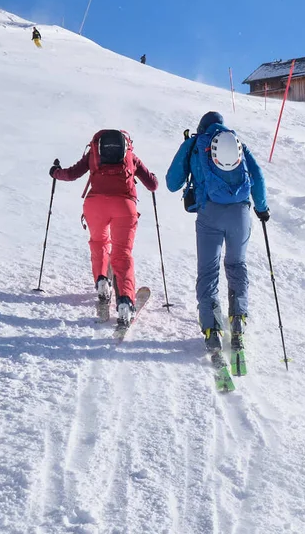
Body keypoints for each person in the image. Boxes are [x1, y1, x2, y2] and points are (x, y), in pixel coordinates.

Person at [166, 110, 269, 357]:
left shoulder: (194, 144)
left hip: (209, 214)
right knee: (237, 264)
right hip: (241, 214)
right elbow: (258, 177)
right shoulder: (238, 143)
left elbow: (172, 183)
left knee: (209, 271)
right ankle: (238, 321)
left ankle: (212, 330)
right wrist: (262, 209)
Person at [50, 129, 159, 329]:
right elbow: (152, 185)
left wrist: (55, 172)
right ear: (126, 143)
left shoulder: (93, 154)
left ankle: (102, 283)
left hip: (95, 204)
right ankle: (125, 302)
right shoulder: (130, 157)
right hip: (124, 206)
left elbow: (71, 174)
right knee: (122, 254)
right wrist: (150, 176)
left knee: (99, 243)